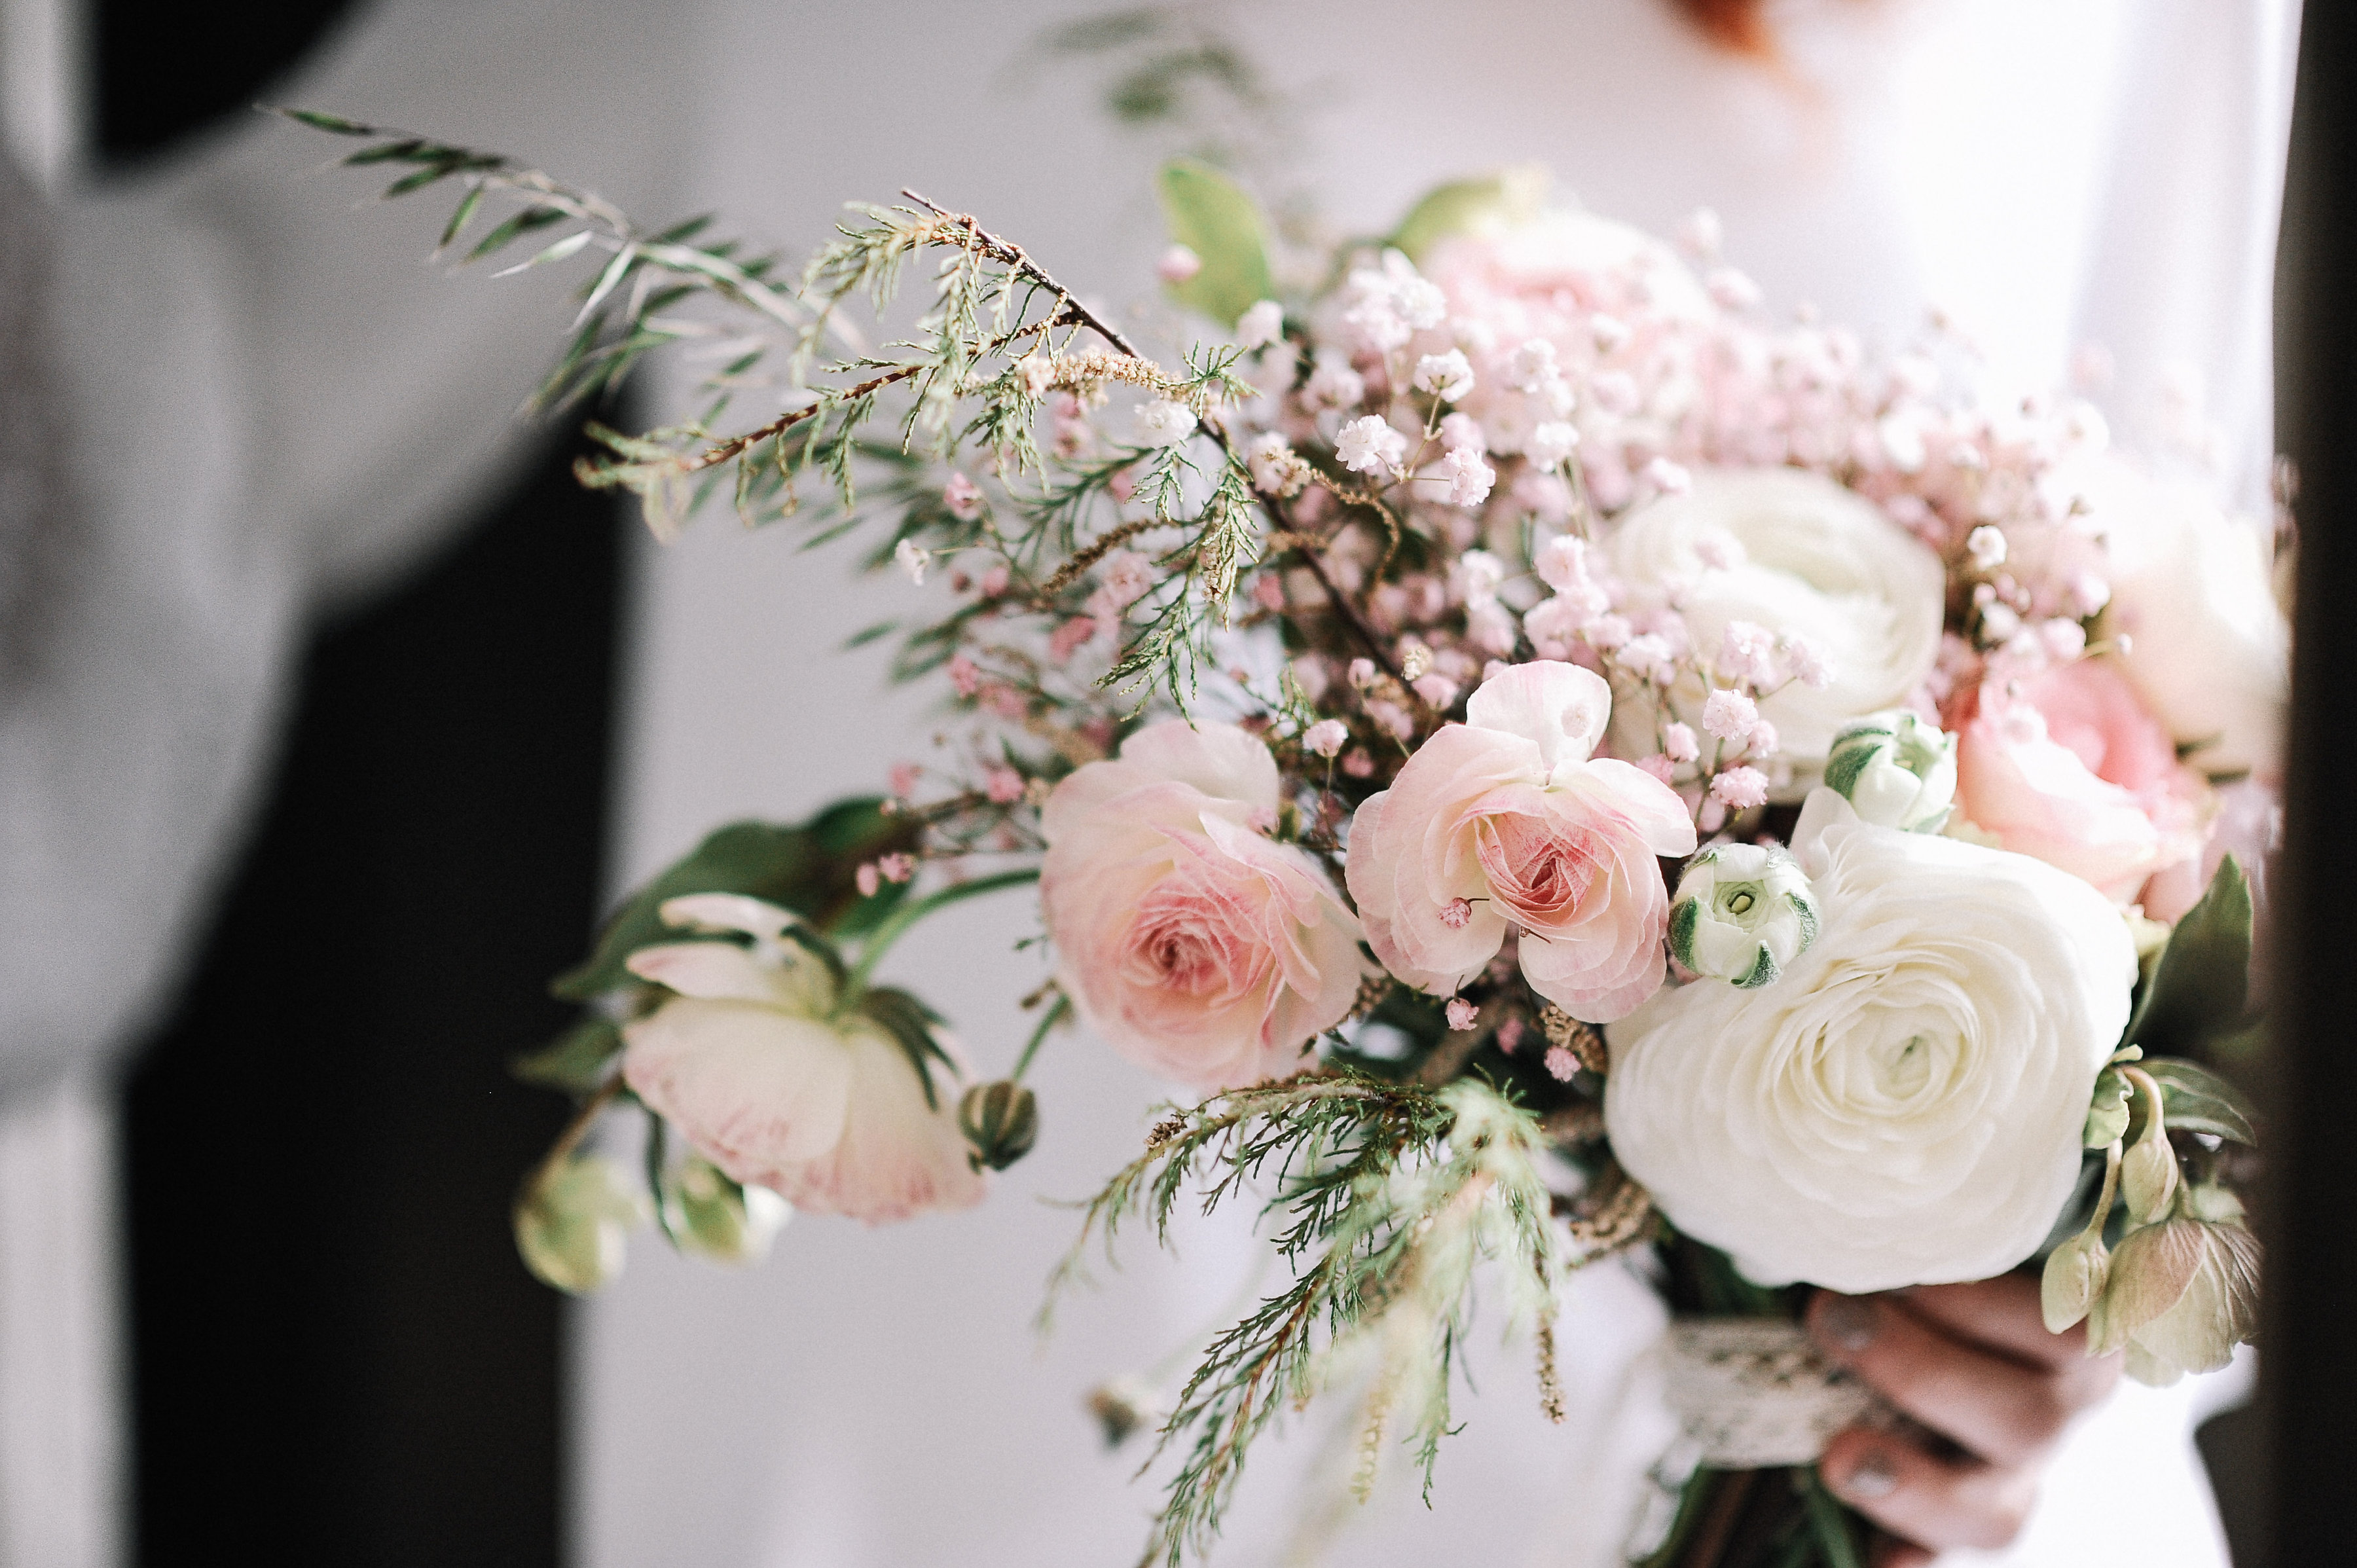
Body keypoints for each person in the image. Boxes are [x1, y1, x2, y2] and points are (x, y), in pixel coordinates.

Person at [0, 0, 2288, 1562]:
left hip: (1827, 1443)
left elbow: (2189, 691)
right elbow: (237, 344)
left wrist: (2092, 1300)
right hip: (977, 1417)